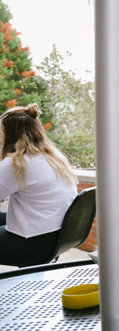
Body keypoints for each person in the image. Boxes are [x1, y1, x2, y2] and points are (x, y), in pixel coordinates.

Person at [0, 104, 78, 266]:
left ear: (10, 134)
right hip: (55, 238)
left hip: (33, 245)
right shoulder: (53, 156)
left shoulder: (17, 163)